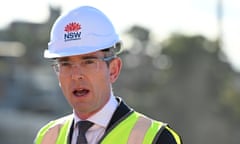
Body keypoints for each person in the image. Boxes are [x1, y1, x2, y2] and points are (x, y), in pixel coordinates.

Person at [34, 5, 182, 144]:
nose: (76, 75)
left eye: (88, 62)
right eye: (65, 64)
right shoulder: (47, 137)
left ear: (113, 69)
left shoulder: (157, 139)